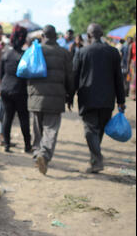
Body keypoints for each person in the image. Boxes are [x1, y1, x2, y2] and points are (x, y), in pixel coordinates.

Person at [72, 23, 126, 173]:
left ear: (89, 36)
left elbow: (74, 77)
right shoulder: (113, 52)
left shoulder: (82, 52)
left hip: (88, 98)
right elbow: (118, 79)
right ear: (101, 35)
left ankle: (97, 160)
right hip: (107, 100)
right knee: (99, 130)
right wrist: (121, 100)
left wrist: (70, 96)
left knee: (90, 130)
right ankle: (95, 160)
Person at [28, 25, 74, 175]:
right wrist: (70, 96)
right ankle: (44, 155)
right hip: (56, 96)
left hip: (35, 96)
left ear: (43, 36)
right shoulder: (64, 53)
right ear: (56, 36)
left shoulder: (35, 50)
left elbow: (24, 72)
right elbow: (70, 77)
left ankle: (37, 153)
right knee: (50, 129)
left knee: (37, 128)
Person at [0, 25, 32, 153]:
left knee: (8, 117)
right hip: (20, 90)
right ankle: (27, 145)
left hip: (6, 89)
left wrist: (1, 88)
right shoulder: (25, 55)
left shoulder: (5, 53)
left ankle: (6, 144)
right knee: (24, 117)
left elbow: (1, 75)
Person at [128, 35, 136, 101]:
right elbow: (129, 57)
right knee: (134, 79)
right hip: (134, 64)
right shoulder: (132, 45)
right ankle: (133, 94)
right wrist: (128, 66)